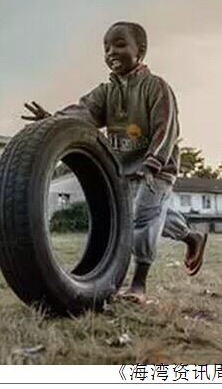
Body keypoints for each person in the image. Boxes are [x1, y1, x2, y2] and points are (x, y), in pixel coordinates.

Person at [22, 21, 207, 305]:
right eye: (106, 48)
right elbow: (82, 112)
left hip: (157, 168)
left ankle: (138, 285)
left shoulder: (156, 87)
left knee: (142, 218)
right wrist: (53, 119)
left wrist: (153, 161)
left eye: (120, 45)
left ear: (141, 51)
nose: (111, 52)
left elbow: (166, 128)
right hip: (125, 169)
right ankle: (191, 236)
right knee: (152, 213)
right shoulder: (106, 93)